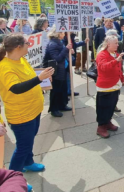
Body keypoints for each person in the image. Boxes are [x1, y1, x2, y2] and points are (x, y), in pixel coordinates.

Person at [0, 34, 54, 192]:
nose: (29, 45)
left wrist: (43, 78)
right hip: (21, 115)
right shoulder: (5, 66)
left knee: (29, 142)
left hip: (33, 110)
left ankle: (28, 163)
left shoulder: (21, 59)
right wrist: (39, 79)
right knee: (23, 147)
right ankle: (13, 180)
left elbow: (29, 77)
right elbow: (16, 88)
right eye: (27, 43)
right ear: (18, 47)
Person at [95, 36, 124, 138]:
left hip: (115, 85)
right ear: (108, 44)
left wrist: (122, 79)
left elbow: (119, 69)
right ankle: (101, 127)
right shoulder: (101, 54)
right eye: (115, 43)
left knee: (111, 106)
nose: (117, 44)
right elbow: (103, 67)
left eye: (117, 43)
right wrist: (116, 61)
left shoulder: (115, 54)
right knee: (103, 108)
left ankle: (108, 122)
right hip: (105, 86)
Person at [44, 27, 73, 117]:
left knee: (62, 89)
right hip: (56, 71)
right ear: (58, 33)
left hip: (62, 69)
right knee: (56, 90)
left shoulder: (58, 42)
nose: (64, 34)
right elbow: (56, 58)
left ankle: (62, 105)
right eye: (63, 32)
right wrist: (66, 49)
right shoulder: (53, 44)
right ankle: (54, 109)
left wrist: (68, 50)